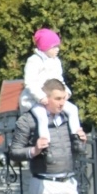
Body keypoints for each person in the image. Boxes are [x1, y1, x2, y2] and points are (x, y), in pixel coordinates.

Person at [18, 28, 86, 160]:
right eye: (54, 47)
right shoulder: (34, 61)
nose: (57, 49)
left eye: (58, 46)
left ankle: (76, 137)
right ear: (45, 47)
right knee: (42, 116)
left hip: (54, 98)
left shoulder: (56, 61)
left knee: (73, 109)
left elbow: (59, 80)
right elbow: (30, 82)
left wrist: (66, 92)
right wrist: (41, 97)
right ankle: (45, 144)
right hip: (34, 99)